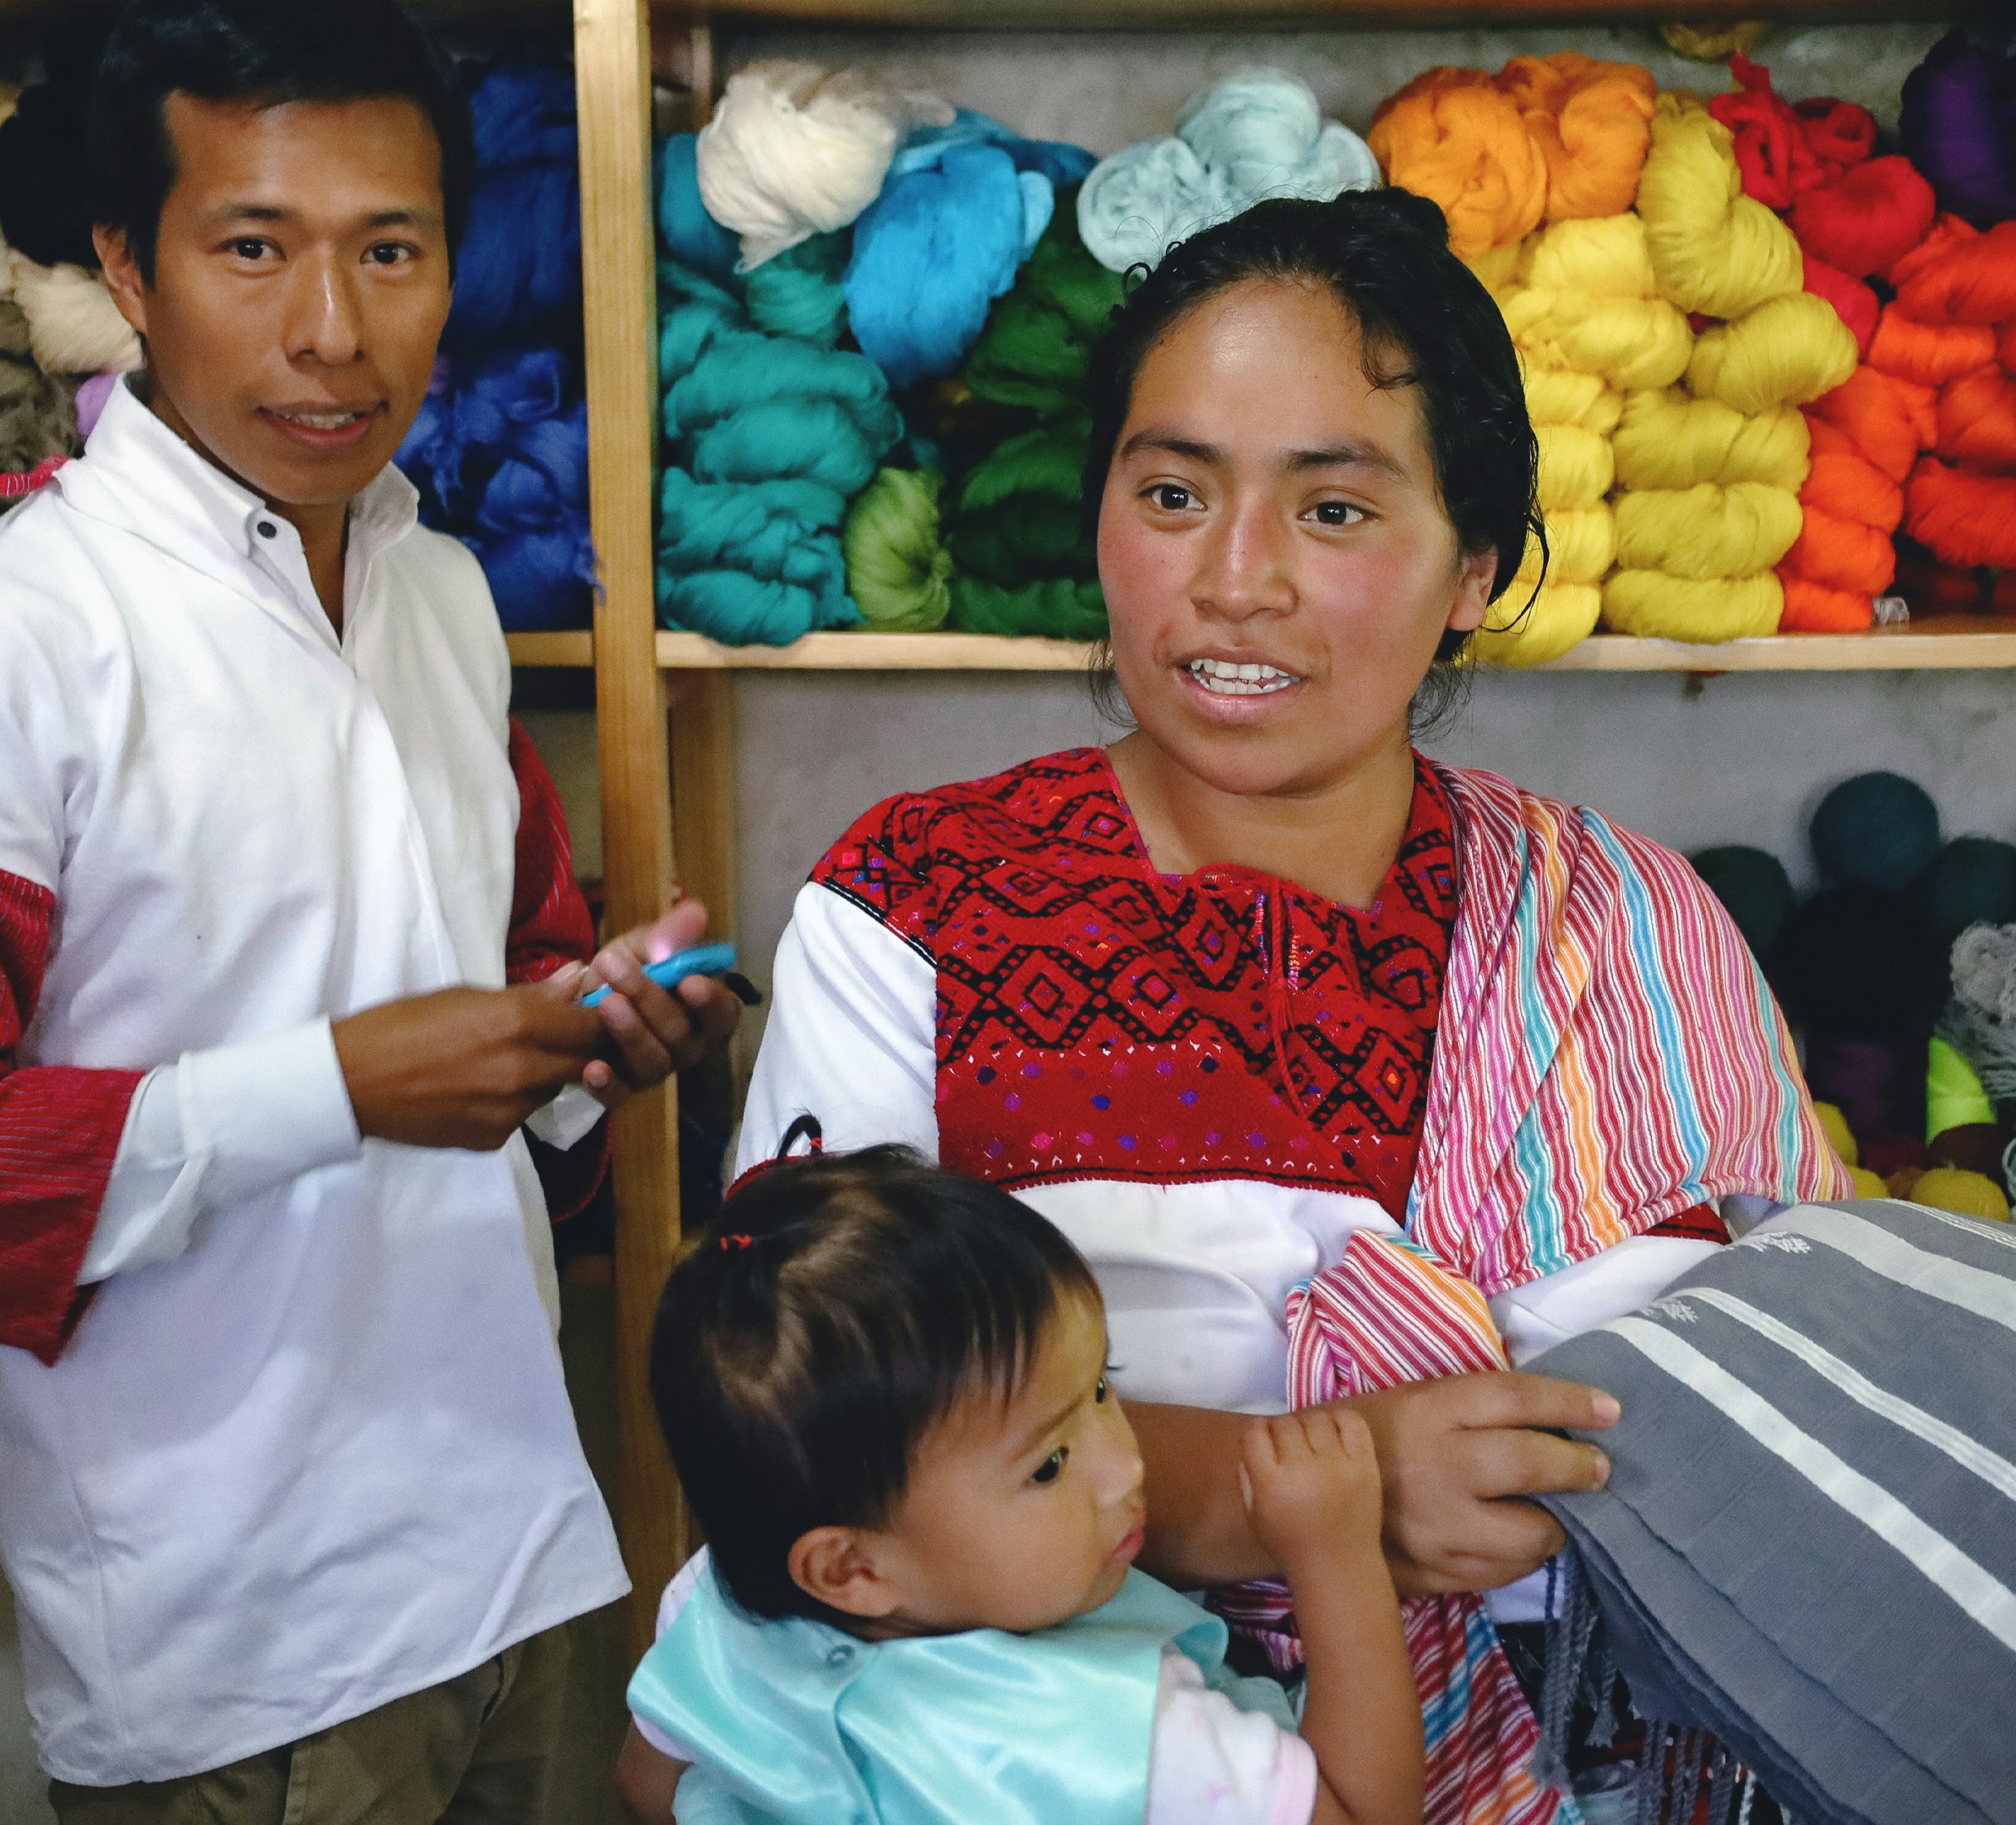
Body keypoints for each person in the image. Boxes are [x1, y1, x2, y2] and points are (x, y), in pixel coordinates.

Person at [698, 189, 1850, 1822]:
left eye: (1332, 511)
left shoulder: (1636, 925)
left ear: (1479, 567)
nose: (1233, 582)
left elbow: (1812, 1413)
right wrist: (1316, 1493)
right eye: (1172, 491)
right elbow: (798, 1428)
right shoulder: (921, 909)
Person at [0, 1, 739, 1817]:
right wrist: (339, 1086)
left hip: (508, 1546)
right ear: (128, 263)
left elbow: (498, 981)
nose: (334, 332)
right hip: (237, 1654)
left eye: (392, 249)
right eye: (255, 247)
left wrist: (596, 1032)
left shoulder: (432, 594)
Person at [618, 1141, 1424, 1825]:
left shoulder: (707, 1606)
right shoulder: (1132, 1740)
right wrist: (1335, 1554)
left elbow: (650, 1784)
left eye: (1101, 1390)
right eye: (1048, 1465)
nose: (1128, 1468)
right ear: (851, 1570)